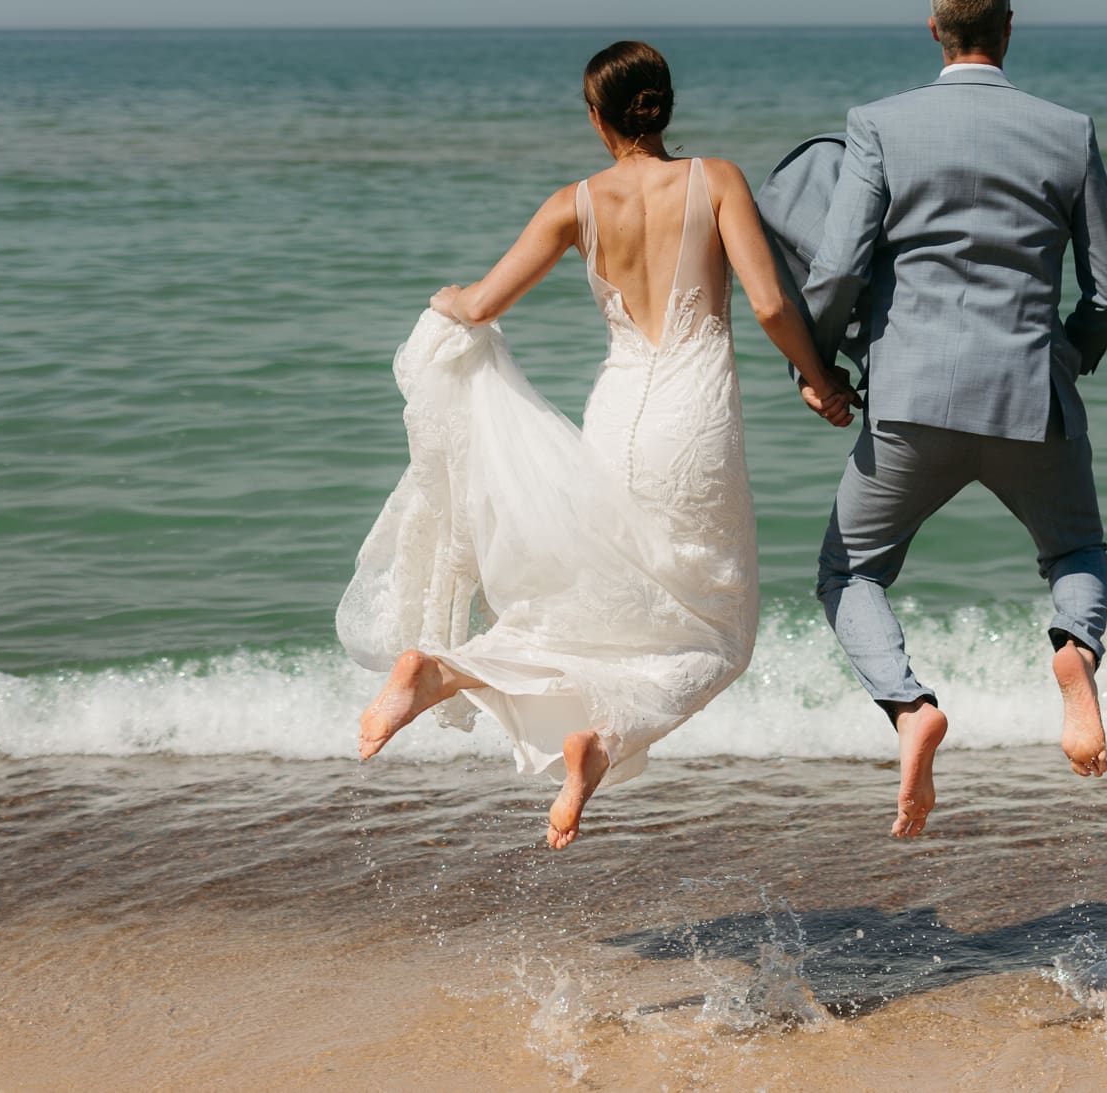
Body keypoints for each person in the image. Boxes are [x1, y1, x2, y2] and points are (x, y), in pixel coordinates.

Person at [339, 41, 854, 849]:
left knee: (592, 611)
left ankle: (439, 671)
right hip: (692, 421)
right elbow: (767, 305)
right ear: (667, 104)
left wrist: (452, 303)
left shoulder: (572, 204)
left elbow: (479, 303)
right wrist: (820, 378)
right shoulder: (716, 179)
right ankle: (601, 743)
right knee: (718, 632)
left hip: (614, 421)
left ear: (597, 118)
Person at [793, 0, 1107, 839]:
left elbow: (834, 272)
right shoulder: (1069, 130)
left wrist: (817, 367)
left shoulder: (878, 123)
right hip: (1033, 396)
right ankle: (1072, 652)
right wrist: (1066, 355)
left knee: (850, 569)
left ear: (936, 29)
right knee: (1076, 552)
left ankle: (910, 707)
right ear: (1010, 29)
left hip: (909, 402)